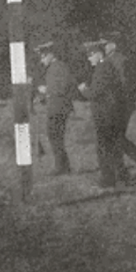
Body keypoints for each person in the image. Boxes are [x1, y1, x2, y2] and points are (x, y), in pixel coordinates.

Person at [103, 33, 136, 180]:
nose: (103, 47)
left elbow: (123, 85)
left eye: (105, 44)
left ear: (112, 46)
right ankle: (122, 170)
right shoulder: (112, 60)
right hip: (118, 104)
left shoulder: (118, 61)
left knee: (115, 137)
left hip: (120, 105)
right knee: (115, 137)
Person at [78, 41, 126, 189]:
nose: (89, 58)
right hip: (110, 112)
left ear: (99, 53)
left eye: (91, 55)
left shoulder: (102, 68)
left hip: (105, 114)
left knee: (103, 147)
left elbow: (95, 93)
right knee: (113, 146)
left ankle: (108, 179)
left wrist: (83, 90)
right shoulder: (105, 66)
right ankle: (121, 177)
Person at [36, 42, 77, 176]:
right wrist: (42, 97)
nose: (42, 61)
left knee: (55, 136)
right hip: (55, 106)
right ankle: (64, 166)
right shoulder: (53, 67)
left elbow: (63, 87)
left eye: (43, 57)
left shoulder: (59, 67)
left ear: (50, 55)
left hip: (59, 107)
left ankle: (62, 167)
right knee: (55, 136)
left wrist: (46, 90)